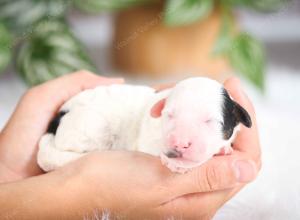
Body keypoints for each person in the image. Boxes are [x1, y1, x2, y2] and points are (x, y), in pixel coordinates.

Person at [0, 71, 261, 219]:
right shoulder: (151, 116)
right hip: (77, 118)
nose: (180, 140)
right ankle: (56, 153)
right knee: (96, 125)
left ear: (236, 120)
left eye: (210, 123)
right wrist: (73, 192)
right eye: (171, 116)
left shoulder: (229, 124)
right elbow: (146, 152)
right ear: (160, 108)